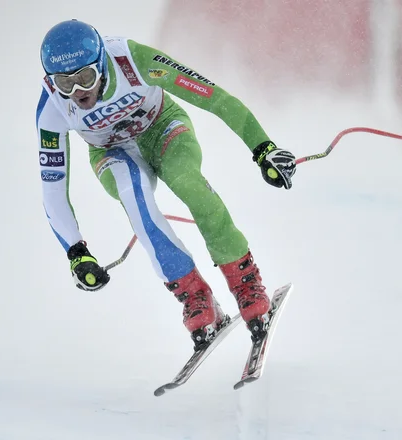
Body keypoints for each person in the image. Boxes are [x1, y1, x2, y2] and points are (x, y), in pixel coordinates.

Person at [36, 19, 297, 348]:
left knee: (187, 182)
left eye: (85, 78)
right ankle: (194, 295)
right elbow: (53, 187)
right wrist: (77, 253)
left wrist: (263, 148)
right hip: (110, 151)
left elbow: (214, 97)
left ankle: (245, 281)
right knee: (135, 196)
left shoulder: (131, 60)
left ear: (101, 63)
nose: (79, 92)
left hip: (162, 128)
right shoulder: (51, 109)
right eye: (65, 83)